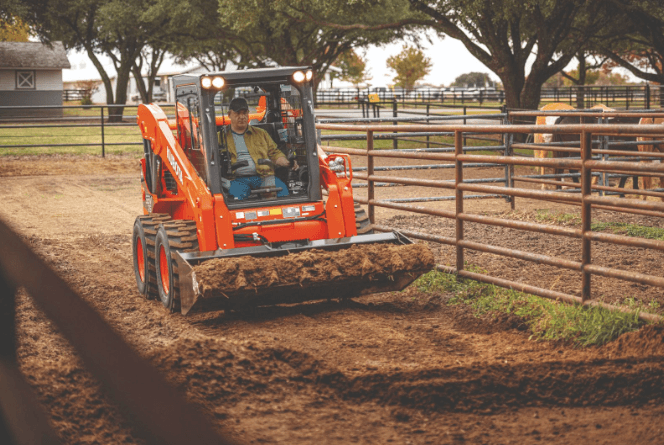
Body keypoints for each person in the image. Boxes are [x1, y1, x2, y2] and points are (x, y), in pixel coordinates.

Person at [222, 97, 297, 200]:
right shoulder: (220, 137)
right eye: (238, 113)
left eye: (244, 113)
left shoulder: (261, 134)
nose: (242, 116)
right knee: (237, 198)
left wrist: (287, 163)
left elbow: (274, 153)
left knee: (281, 191)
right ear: (229, 114)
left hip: (263, 176)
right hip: (237, 179)